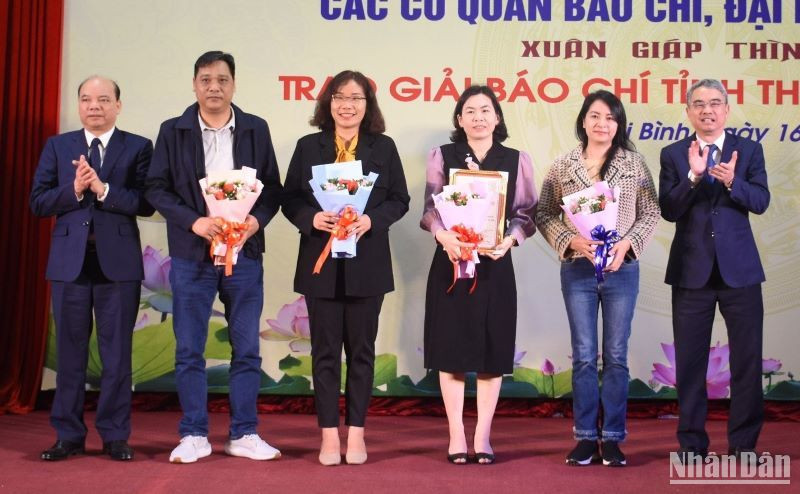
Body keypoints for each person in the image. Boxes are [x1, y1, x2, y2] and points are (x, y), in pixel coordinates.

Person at [145, 51, 283, 463]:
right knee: (190, 348)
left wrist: (255, 222)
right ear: (194, 85)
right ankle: (193, 434)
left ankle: (244, 433)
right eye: (206, 80)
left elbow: (272, 189)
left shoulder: (256, 128)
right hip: (192, 255)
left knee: (246, 348)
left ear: (233, 85)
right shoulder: (173, 131)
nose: (214, 88)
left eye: (222, 80)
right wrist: (195, 222)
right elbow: (156, 188)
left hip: (244, 254)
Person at [282, 70, 409, 466]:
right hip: (320, 265)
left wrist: (372, 220)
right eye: (340, 97)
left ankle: (356, 434)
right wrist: (311, 219)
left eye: (356, 98)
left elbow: (399, 199)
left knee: (362, 353)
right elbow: (290, 198)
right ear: (328, 103)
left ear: (367, 105)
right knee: (323, 353)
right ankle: (328, 436)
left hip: (367, 265)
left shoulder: (383, 148)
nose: (347, 105)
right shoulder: (308, 146)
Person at [30, 76, 154, 461]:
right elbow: (38, 202)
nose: (94, 106)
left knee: (116, 355)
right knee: (70, 354)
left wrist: (104, 190)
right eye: (86, 99)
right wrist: (76, 190)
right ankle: (68, 435)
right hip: (70, 265)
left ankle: (115, 435)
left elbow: (146, 202)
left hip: (118, 266)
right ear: (79, 105)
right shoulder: (58, 146)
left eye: (103, 99)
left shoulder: (138, 146)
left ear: (118, 105)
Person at [536, 90, 660, 467]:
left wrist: (627, 244)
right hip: (578, 269)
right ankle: (586, 437)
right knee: (585, 356)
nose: (602, 123)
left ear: (618, 124)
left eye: (610, 117)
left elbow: (651, 212)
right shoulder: (563, 165)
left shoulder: (634, 164)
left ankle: (614, 438)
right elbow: (544, 213)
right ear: (583, 121)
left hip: (622, 270)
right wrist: (570, 239)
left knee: (617, 356)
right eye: (594, 115)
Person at [421, 85, 537, 465]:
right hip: (451, 264)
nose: (478, 117)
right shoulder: (443, 156)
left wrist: (511, 240)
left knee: (492, 350)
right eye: (470, 111)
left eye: (486, 110)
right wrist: (443, 235)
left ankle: (482, 435)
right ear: (460, 119)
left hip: (495, 266)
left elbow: (526, 213)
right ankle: (456, 434)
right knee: (450, 350)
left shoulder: (516, 159)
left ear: (497, 117)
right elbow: (430, 208)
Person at [659, 79, 770, 461]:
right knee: (690, 363)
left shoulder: (748, 149)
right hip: (691, 272)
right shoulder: (673, 154)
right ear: (688, 110)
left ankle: (744, 444)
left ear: (726, 109)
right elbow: (669, 210)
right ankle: (692, 444)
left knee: (747, 362)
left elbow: (761, 201)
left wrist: (732, 181)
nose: (707, 110)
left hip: (741, 272)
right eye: (699, 104)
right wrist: (693, 177)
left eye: (715, 103)